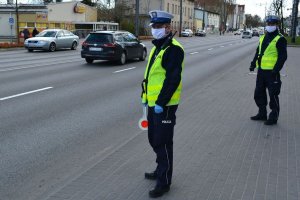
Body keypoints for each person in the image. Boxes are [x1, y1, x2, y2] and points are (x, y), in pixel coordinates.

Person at [141, 10, 184, 198]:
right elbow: (150, 76)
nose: (155, 30)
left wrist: (161, 102)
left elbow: (172, 80)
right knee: (153, 139)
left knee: (163, 142)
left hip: (164, 106)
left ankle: (164, 181)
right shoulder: (158, 47)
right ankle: (160, 169)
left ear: (168, 28)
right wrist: (145, 98)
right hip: (153, 103)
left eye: (158, 27)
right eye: (154, 27)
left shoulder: (174, 49)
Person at [249, 15, 287, 125]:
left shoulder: (280, 39)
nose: (270, 26)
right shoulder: (263, 38)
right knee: (259, 93)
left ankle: (273, 117)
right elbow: (258, 52)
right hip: (261, 71)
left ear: (277, 25)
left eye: (272, 24)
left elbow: (283, 56)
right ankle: (262, 113)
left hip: (272, 73)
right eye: (268, 24)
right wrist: (253, 64)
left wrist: (276, 69)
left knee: (273, 95)